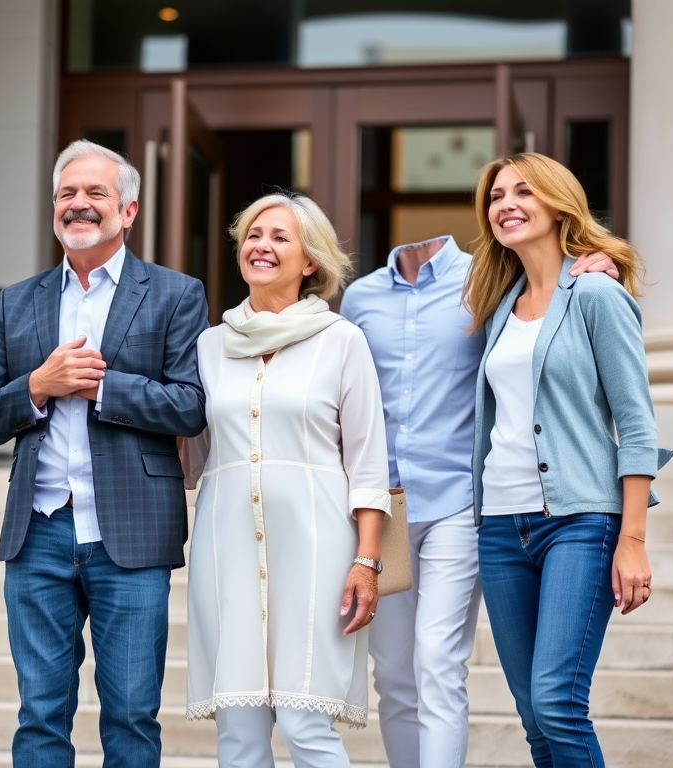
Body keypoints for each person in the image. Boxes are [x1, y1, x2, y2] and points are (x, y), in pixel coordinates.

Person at [0, 139, 208, 768]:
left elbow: (192, 405)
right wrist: (38, 386)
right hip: (38, 533)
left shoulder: (176, 294)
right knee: (40, 717)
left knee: (130, 715)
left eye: (96, 193)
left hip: (130, 533)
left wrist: (102, 385)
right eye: (67, 193)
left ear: (127, 211)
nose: (79, 204)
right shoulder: (17, 301)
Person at [340, 232, 621, 768]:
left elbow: (547, 299)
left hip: (458, 503)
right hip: (384, 510)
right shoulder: (361, 298)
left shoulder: (490, 279)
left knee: (437, 661)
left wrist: (599, 262)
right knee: (395, 674)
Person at [463, 152, 671, 766]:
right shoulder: (500, 303)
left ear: (559, 205)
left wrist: (632, 538)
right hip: (500, 526)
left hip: (579, 521)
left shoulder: (596, 295)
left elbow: (636, 423)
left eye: (524, 192)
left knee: (558, 702)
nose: (507, 204)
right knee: (532, 717)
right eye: (497, 196)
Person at [183, 192, 391, 768]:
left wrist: (367, 562)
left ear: (311, 263)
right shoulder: (206, 348)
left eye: (280, 237)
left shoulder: (341, 341)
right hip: (226, 552)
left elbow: (369, 464)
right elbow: (194, 457)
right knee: (240, 731)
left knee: (306, 724)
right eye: (253, 235)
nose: (261, 246)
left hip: (319, 551)